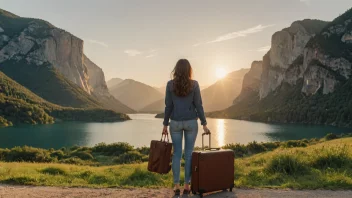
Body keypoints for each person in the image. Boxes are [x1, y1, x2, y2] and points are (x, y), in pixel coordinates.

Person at [162, 59, 210, 196]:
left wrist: (165, 124)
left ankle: (176, 185)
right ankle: (187, 185)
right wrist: (204, 123)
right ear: (189, 70)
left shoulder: (170, 85)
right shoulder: (194, 84)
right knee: (189, 154)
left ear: (176, 70)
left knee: (177, 154)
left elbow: (168, 106)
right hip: (191, 123)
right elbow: (199, 105)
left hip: (175, 123)